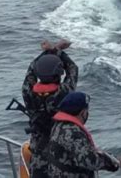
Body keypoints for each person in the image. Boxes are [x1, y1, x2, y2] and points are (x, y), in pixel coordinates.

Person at [22, 39, 78, 178]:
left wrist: (48, 51)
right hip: (61, 158)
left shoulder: (28, 92)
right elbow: (72, 68)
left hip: (39, 157)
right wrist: (56, 50)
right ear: (59, 72)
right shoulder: (64, 92)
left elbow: (31, 69)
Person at [48, 92, 121, 178]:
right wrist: (116, 162)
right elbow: (90, 160)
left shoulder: (59, 125)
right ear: (82, 113)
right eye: (87, 110)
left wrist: (112, 158)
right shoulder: (73, 133)